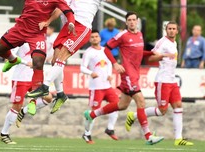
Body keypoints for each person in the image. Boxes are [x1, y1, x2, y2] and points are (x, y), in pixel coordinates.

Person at [26, 0, 119, 115]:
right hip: (66, 27)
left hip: (81, 28)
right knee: (55, 60)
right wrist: (48, 22)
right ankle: (61, 94)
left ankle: (44, 86)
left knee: (62, 57)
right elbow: (60, 9)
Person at [0, 0, 75, 97]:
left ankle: (37, 91)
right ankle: (12, 59)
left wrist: (71, 22)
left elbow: (68, 11)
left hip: (37, 34)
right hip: (20, 28)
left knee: (38, 62)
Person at [83, 12, 164, 145]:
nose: (132, 22)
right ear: (126, 22)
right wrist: (115, 64)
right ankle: (148, 136)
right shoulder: (122, 35)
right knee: (141, 102)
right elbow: (107, 49)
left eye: (134, 20)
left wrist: (152, 53)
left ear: (137, 21)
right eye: (129, 20)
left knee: (122, 105)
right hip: (127, 74)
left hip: (135, 74)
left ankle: (91, 114)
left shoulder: (139, 35)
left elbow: (138, 52)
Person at [125, 21, 194, 146]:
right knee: (162, 110)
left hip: (172, 80)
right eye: (169, 29)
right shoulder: (162, 42)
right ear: (166, 30)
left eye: (174, 29)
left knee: (178, 106)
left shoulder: (175, 42)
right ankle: (134, 116)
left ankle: (178, 139)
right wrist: (162, 56)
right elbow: (150, 58)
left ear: (177, 31)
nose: (172, 31)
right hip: (163, 81)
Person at [0, 43, 52, 144]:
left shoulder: (40, 41)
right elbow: (9, 58)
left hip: (34, 78)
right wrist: (25, 62)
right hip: (20, 78)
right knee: (16, 106)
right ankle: (4, 133)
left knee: (48, 98)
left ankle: (23, 111)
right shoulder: (20, 40)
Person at [80, 30, 119, 144]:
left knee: (117, 105)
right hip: (96, 88)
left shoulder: (105, 50)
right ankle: (87, 134)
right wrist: (90, 72)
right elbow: (82, 68)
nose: (95, 39)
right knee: (93, 112)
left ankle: (110, 128)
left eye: (96, 36)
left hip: (107, 86)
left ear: (100, 38)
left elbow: (109, 63)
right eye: (92, 37)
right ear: (89, 39)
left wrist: (109, 75)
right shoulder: (89, 52)